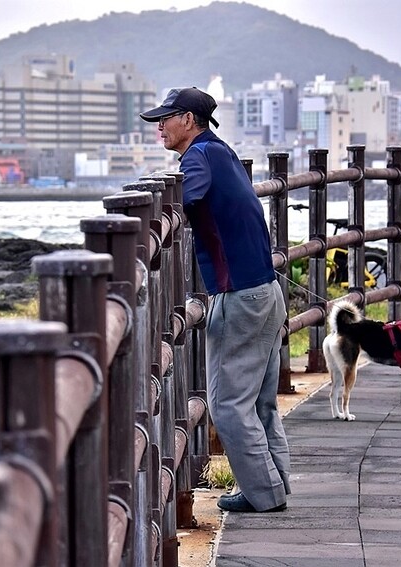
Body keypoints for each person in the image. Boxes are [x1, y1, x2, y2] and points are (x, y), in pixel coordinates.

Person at [140, 87, 291, 513]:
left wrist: (166, 212)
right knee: (259, 403)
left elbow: (191, 196)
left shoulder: (197, 157)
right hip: (266, 291)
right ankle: (273, 484)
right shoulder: (220, 150)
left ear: (188, 120)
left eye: (165, 119)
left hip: (239, 296)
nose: (159, 127)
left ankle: (264, 495)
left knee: (226, 405)